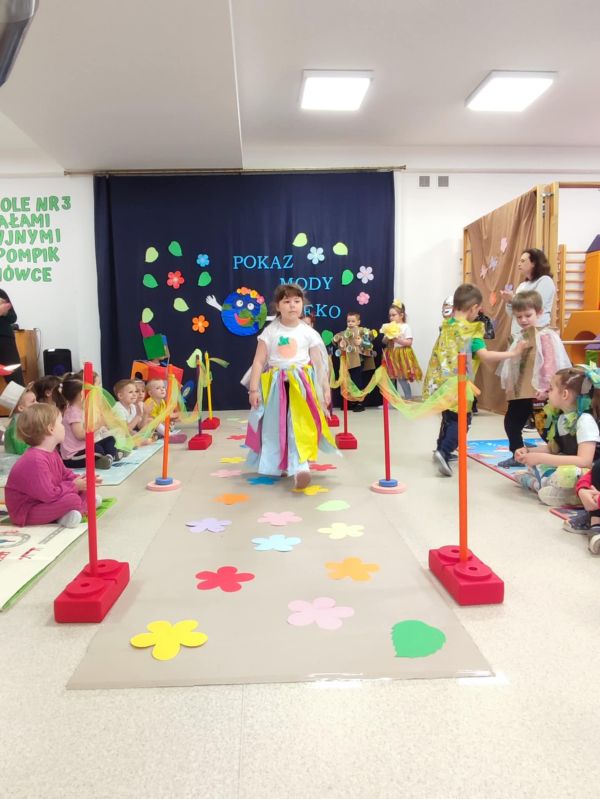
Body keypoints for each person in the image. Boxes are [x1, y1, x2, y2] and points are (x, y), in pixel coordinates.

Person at [423, 283, 529, 477]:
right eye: (478, 310)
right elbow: (486, 356)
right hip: (459, 386)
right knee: (462, 421)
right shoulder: (472, 331)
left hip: (440, 382)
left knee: (448, 417)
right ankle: (444, 451)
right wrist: (513, 353)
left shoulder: (447, 324)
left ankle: (440, 447)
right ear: (473, 309)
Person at [245, 283, 335, 490]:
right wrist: (254, 389)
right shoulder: (270, 332)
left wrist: (325, 389)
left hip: (301, 387)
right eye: (286, 301)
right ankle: (280, 463)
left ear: (303, 305)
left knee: (299, 426)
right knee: (275, 427)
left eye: (296, 301)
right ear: (278, 306)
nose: (292, 305)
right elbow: (258, 361)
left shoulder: (308, 333)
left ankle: (300, 467)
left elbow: (319, 364)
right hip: (276, 388)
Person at [496, 290, 571, 468]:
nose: (523, 320)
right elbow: (513, 364)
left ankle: (562, 454)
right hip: (522, 391)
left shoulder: (545, 335)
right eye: (519, 316)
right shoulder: (520, 337)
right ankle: (518, 454)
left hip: (540, 391)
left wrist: (547, 388)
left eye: (528, 315)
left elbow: (550, 363)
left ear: (539, 312)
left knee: (546, 426)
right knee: (511, 422)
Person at [5, 403, 102, 528]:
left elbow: (65, 474)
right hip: (27, 511)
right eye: (61, 423)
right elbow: (49, 495)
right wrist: (74, 485)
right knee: (72, 499)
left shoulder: (52, 452)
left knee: (83, 491)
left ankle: (72, 511)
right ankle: (72, 511)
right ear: (51, 429)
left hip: (45, 500)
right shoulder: (35, 460)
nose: (64, 427)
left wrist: (82, 480)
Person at [515, 366, 600, 506]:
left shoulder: (585, 421)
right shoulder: (561, 418)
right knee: (535, 465)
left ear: (564, 394)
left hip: (588, 471)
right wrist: (528, 451)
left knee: (567, 474)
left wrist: (541, 458)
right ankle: (544, 484)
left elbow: (585, 461)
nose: (547, 392)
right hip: (569, 463)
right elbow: (554, 448)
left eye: (551, 389)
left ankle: (568, 493)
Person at [501, 248, 556, 433]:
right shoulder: (523, 285)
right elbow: (514, 311)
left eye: (523, 260)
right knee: (519, 388)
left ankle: (538, 422)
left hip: (536, 336)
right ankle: (523, 420)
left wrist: (515, 299)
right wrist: (509, 301)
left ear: (534, 262)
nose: (519, 263)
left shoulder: (545, 281)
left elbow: (534, 303)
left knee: (538, 382)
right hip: (520, 338)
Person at [60, 376, 118, 469]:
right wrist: (99, 425)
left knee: (110, 440)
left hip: (84, 448)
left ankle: (109, 458)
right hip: (73, 456)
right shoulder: (73, 412)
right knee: (97, 449)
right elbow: (80, 435)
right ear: (82, 394)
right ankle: (107, 458)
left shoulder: (81, 410)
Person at [333, 311, 375, 412]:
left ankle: (360, 402)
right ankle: (351, 402)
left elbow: (370, 340)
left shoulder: (362, 331)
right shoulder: (344, 332)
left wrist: (362, 342)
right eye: (348, 321)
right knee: (348, 382)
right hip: (348, 362)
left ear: (358, 322)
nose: (350, 323)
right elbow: (336, 341)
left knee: (357, 381)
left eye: (353, 321)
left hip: (358, 361)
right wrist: (336, 340)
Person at [380, 299, 422, 400]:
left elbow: (409, 342)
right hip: (391, 354)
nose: (391, 317)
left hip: (401, 355)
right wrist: (387, 337)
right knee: (390, 379)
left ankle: (408, 399)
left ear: (401, 315)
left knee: (402, 379)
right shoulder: (389, 326)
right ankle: (391, 401)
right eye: (390, 315)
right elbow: (384, 342)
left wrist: (397, 339)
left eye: (394, 315)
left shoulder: (405, 327)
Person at [0, 381, 36, 454]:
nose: (37, 403)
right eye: (33, 401)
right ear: (21, 408)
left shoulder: (23, 420)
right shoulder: (18, 426)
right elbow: (22, 452)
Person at [0, 290, 23, 384]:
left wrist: (4, 312)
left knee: (15, 378)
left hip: (6, 340)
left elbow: (13, 317)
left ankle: (20, 394)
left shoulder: (1, 293)